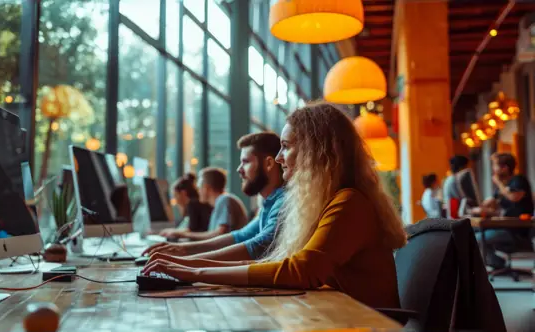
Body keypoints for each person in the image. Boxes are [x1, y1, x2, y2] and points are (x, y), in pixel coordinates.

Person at [143, 102, 407, 309]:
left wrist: (193, 270)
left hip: (368, 330)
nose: (279, 158)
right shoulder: (324, 202)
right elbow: (278, 260)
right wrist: (187, 266)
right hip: (339, 318)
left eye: (286, 147)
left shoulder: (350, 203)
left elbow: (299, 271)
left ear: (317, 152)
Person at [143, 132, 285, 262]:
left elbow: (257, 246)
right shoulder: (269, 203)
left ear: (268, 163)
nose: (239, 169)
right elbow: (240, 236)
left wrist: (187, 261)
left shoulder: (283, 201)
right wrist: (182, 249)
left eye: (246, 162)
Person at [471, 153, 534, 269]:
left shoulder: (519, 180)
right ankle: (498, 264)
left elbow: (514, 197)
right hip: (504, 227)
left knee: (476, 238)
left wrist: (499, 184)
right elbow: (490, 204)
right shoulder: (503, 187)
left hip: (517, 231)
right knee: (471, 233)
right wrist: (477, 207)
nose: (493, 169)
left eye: (495, 166)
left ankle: (498, 264)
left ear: (504, 168)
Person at [159, 167, 247, 241]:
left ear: (206, 188)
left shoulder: (224, 200)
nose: (198, 191)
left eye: (199, 187)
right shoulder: (222, 202)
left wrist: (184, 235)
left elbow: (220, 235)